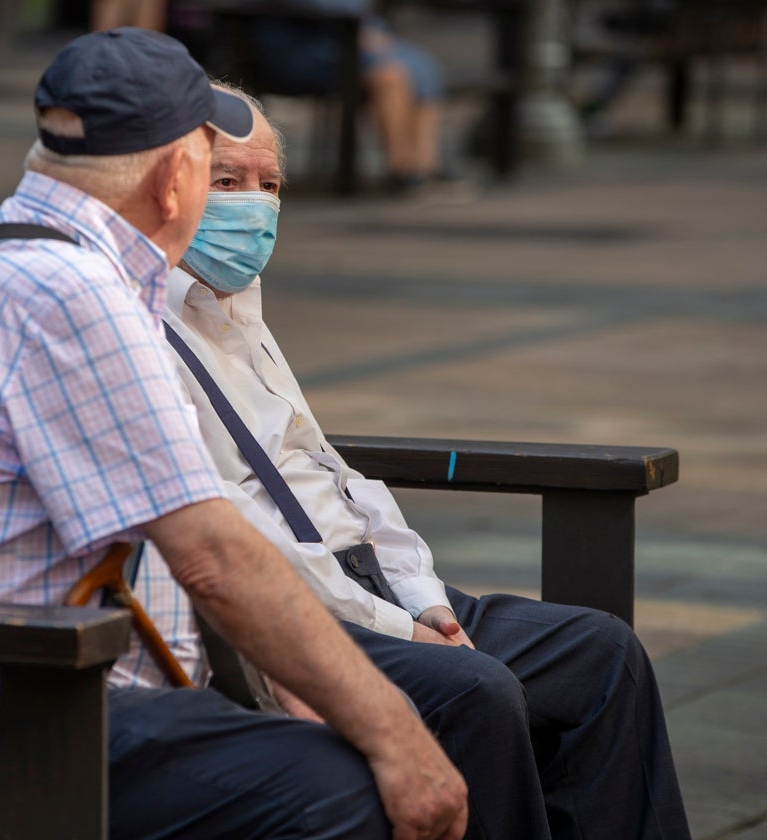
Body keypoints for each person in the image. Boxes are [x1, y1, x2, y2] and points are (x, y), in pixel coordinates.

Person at [0, 27, 467, 840]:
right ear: (177, 177)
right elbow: (212, 552)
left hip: (47, 709)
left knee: (350, 750)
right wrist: (395, 732)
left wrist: (292, 685)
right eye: (217, 174)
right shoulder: (63, 289)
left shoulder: (41, 260)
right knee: (344, 785)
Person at [141, 83, 691, 839]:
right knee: (476, 690)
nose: (255, 209)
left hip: (374, 586)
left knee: (601, 655)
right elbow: (235, 540)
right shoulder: (136, 331)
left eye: (270, 186)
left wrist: (423, 597)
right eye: (228, 181)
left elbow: (337, 477)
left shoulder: (239, 311)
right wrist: (398, 629)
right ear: (171, 186)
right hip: (299, 613)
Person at [249, 0, 450, 192]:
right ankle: (402, 168)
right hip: (303, 44)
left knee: (424, 67)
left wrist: (372, 33)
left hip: (353, 35)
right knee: (389, 76)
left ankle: (425, 165)